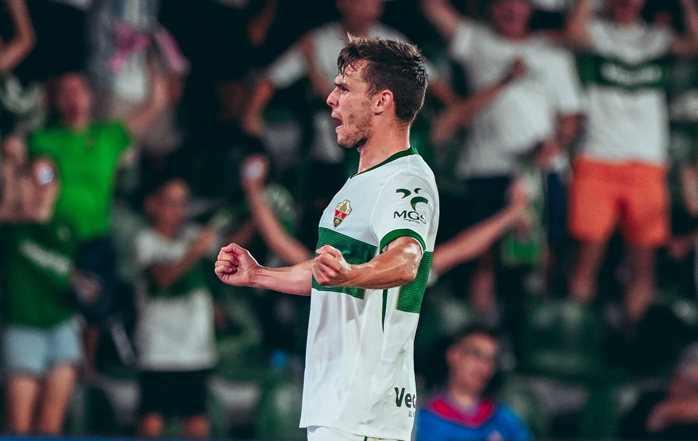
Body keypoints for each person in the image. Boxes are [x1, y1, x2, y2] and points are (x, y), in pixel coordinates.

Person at [217, 37, 438, 441]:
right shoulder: (359, 182)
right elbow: (327, 274)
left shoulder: (405, 180)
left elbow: (407, 259)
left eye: (344, 88)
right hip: (338, 406)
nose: (331, 99)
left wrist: (350, 274)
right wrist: (259, 275)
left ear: (382, 101)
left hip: (366, 410)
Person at [421, 0, 581, 318]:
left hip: (541, 170)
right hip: (486, 166)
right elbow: (432, 8)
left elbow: (570, 117)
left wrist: (555, 145)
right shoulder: (475, 40)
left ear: (530, 8)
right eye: (502, 2)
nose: (511, 9)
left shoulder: (553, 54)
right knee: (483, 256)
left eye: (519, 3)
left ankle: (536, 329)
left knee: (544, 254)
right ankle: (479, 331)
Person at [565, 0, 698, 326]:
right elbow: (573, 33)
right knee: (586, 262)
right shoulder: (596, 32)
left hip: (647, 163)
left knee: (643, 266)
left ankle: (635, 339)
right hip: (597, 158)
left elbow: (694, 45)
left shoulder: (657, 37)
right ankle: (577, 337)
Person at [243, 0, 454, 176]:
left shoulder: (392, 42)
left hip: (381, 154)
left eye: (377, 3)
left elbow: (434, 84)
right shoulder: (318, 41)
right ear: (343, 3)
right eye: (364, 3)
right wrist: (252, 114)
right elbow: (272, 79)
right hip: (329, 152)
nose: (372, 10)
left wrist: (444, 123)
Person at [133, 177, 221, 439]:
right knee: (151, 422)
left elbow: (234, 245)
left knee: (197, 423)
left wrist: (252, 206)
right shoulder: (145, 240)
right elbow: (162, 279)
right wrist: (195, 250)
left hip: (196, 350)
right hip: (159, 351)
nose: (178, 210)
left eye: (183, 203)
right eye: (171, 203)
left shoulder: (194, 233)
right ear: (152, 205)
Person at [0, 170, 81, 436]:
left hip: (61, 325)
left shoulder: (66, 226)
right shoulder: (10, 228)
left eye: (47, 179)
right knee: (19, 427)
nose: (41, 186)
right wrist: (14, 180)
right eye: (34, 178)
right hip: (22, 327)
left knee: (51, 427)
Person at [415, 326, 531, 441]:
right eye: (476, 354)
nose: (484, 367)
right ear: (453, 354)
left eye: (491, 360)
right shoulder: (426, 417)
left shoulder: (501, 416)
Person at [619, 343, 698, 439]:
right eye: (678, 377)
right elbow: (625, 433)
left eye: (690, 385)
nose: (678, 385)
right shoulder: (650, 399)